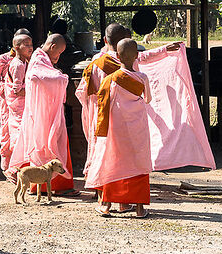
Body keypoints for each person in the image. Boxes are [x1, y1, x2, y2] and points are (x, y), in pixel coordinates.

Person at [75, 24, 180, 186]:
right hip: (130, 119)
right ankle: (127, 187)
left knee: (102, 149)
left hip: (102, 113)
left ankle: (100, 186)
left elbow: (83, 91)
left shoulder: (96, 62)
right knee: (128, 154)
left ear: (104, 40)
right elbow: (146, 57)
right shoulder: (132, 59)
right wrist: (164, 49)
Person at [86, 39, 152, 218]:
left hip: (117, 129)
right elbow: (148, 99)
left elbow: (103, 105)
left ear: (117, 56)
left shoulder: (110, 79)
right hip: (138, 127)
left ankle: (106, 205)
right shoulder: (143, 77)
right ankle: (139, 208)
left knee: (113, 162)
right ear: (136, 56)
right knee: (138, 163)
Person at [9, 34, 78, 196]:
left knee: (50, 144)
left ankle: (40, 185)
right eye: (59, 53)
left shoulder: (41, 58)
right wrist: (62, 77)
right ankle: (58, 186)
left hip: (46, 111)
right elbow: (37, 76)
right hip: (43, 114)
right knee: (50, 144)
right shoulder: (39, 59)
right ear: (52, 47)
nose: (58, 57)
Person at [0, 28, 31, 174]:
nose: (29, 47)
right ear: (15, 44)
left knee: (22, 130)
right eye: (25, 44)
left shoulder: (28, 59)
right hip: (8, 101)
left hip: (23, 101)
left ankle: (21, 164)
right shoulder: (3, 59)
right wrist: (8, 91)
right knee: (7, 131)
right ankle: (7, 166)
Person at [1, 33, 33, 177]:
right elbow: (18, 90)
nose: (30, 48)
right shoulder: (18, 64)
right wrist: (34, 88)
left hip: (21, 106)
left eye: (31, 45)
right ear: (16, 47)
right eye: (26, 45)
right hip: (18, 106)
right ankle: (14, 169)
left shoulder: (24, 61)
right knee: (20, 136)